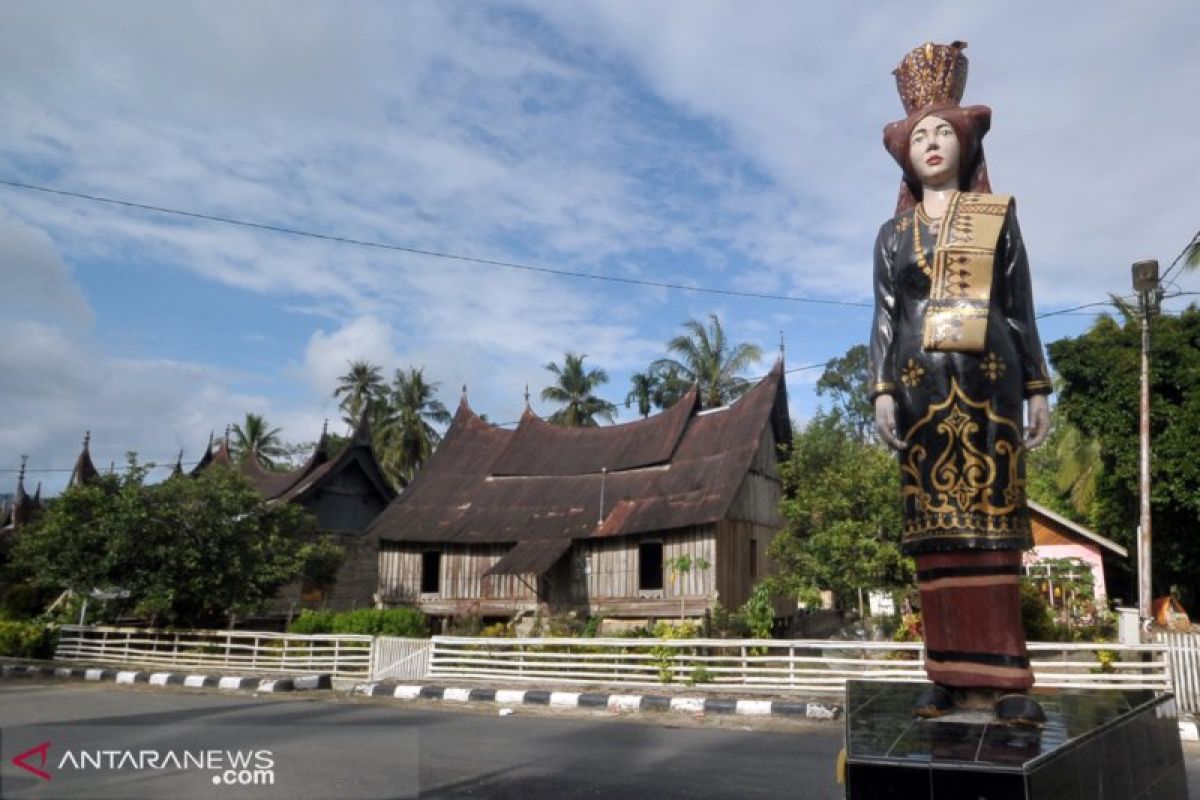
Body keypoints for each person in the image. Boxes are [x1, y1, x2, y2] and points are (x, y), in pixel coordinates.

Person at [868, 41, 1052, 725]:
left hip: (990, 384)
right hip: (919, 390)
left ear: (967, 145)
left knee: (992, 529)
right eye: (922, 134)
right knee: (934, 534)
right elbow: (886, 317)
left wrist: (1037, 386)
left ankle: (1008, 683)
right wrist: (881, 389)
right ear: (906, 154)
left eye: (945, 130)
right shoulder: (892, 235)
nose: (934, 141)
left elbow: (1019, 303)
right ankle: (944, 673)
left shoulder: (996, 216)